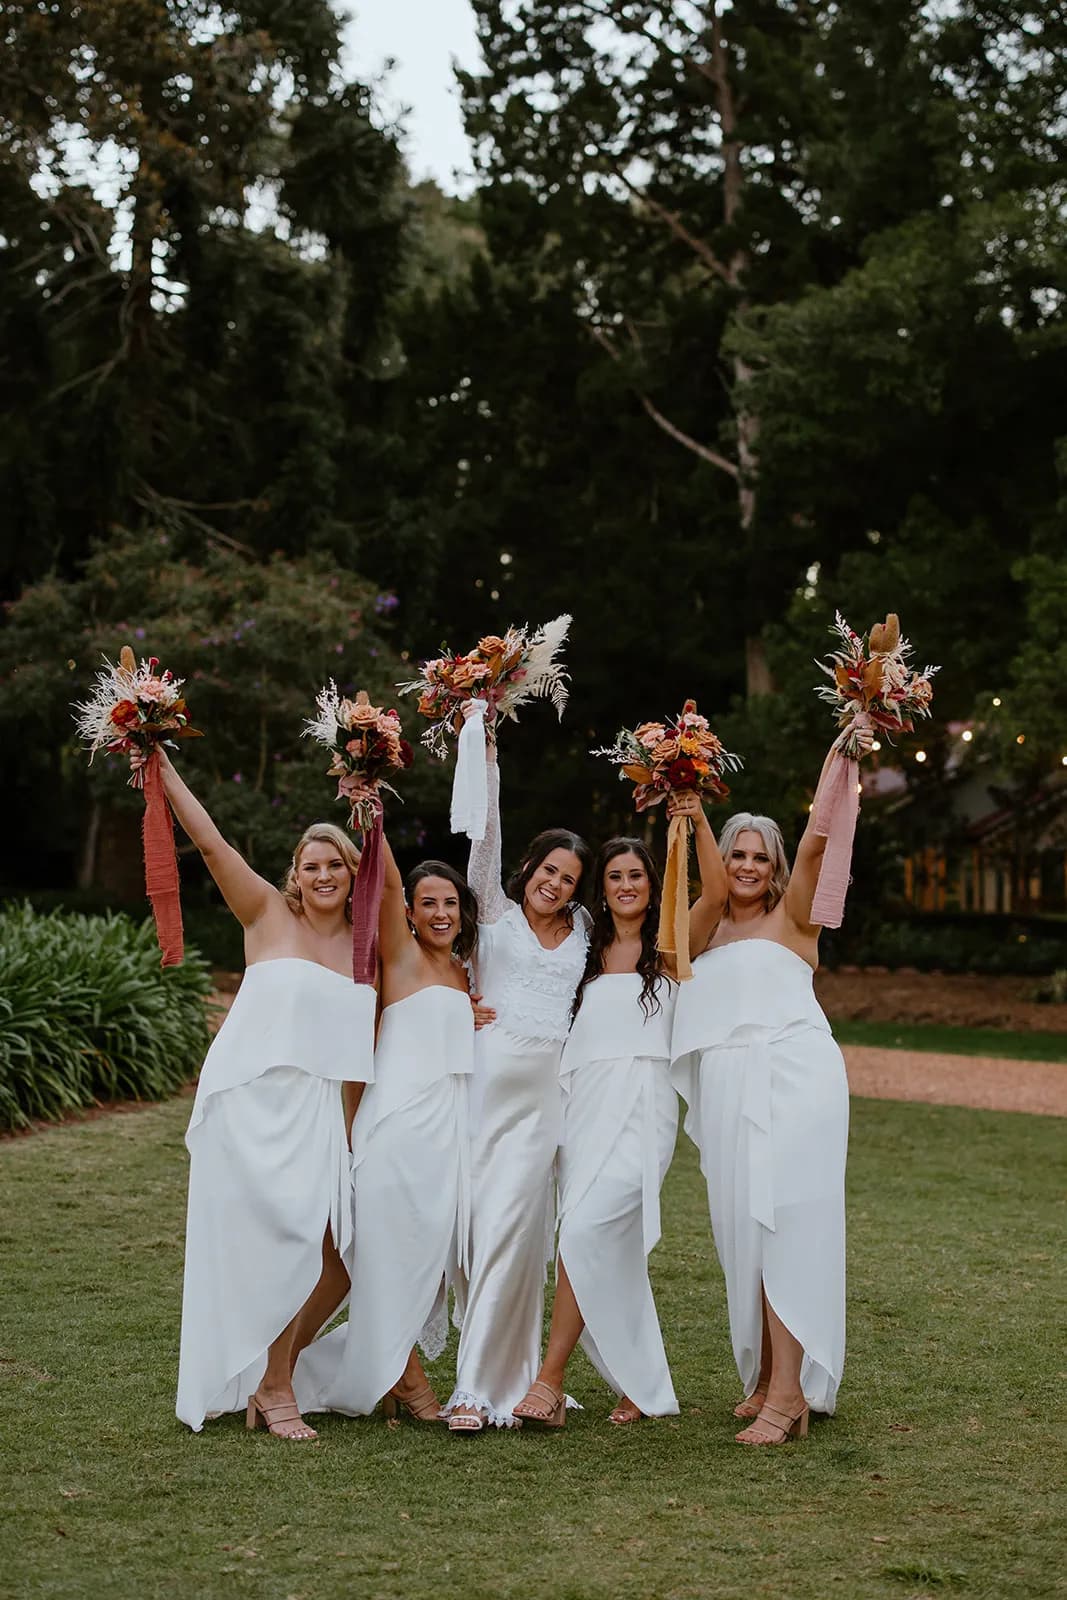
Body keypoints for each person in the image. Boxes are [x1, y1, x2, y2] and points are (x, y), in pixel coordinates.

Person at [156, 748, 375, 1441]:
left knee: (337, 1257)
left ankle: (273, 1369)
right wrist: (159, 766)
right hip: (250, 1102)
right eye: (311, 864)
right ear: (295, 874)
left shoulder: (365, 948)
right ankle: (274, 1386)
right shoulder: (264, 916)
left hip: (317, 1109)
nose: (323, 874)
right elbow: (211, 842)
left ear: (352, 871)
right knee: (277, 1244)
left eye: (335, 862)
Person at [668, 731, 871, 1446]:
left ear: (775, 866)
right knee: (741, 1231)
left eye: (761, 855)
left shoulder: (795, 917)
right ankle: (762, 1379)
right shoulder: (700, 927)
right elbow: (694, 914)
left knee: (786, 1223)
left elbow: (818, 838)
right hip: (726, 1090)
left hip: (793, 1076)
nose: (748, 865)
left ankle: (790, 1396)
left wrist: (842, 750)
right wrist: (689, 812)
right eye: (737, 853)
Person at [293, 834, 478, 1424]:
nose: (440, 913)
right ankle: (409, 1381)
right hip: (393, 1126)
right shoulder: (399, 954)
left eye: (450, 902)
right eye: (428, 903)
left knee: (420, 1258)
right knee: (380, 1254)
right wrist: (371, 813)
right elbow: (390, 882)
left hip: (444, 1135)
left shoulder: (462, 972)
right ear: (409, 914)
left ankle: (339, 1366)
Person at [443, 714, 592, 1432]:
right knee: (482, 1237)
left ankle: (475, 1388)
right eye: (548, 871)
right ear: (529, 868)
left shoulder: (585, 935)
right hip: (484, 1098)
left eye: (567, 879)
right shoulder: (492, 916)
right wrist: (489, 761)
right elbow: (481, 845)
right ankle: (494, 1374)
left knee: (516, 1237)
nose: (555, 885)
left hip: (545, 1109)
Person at [512, 838, 680, 1428]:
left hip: (643, 1104)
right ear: (601, 889)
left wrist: (686, 805)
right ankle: (639, 1381)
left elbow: (702, 879)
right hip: (582, 1104)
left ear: (654, 883)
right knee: (604, 1246)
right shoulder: (585, 946)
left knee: (584, 1232)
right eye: (614, 876)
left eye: (637, 874)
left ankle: (549, 1380)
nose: (627, 885)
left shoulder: (673, 946)